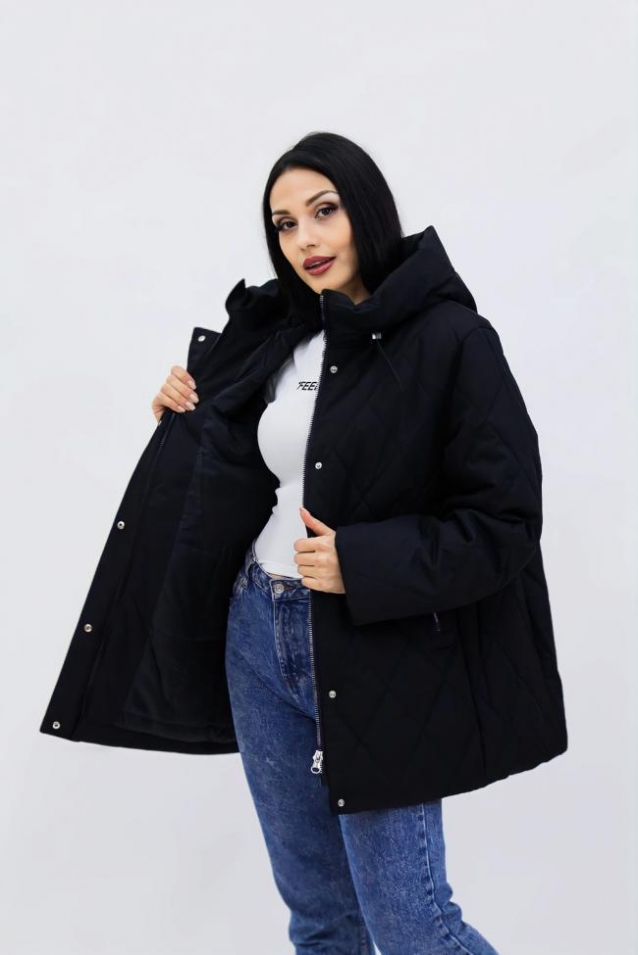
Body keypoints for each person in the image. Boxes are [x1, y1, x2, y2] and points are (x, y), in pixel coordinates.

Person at [41, 131, 567, 954]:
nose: (304, 240)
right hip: (256, 634)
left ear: (368, 210)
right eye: (284, 224)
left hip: (374, 648)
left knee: (414, 926)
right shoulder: (280, 334)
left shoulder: (451, 340)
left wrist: (364, 562)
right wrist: (184, 414)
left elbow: (506, 523)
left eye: (324, 211)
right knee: (321, 922)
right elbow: (241, 470)